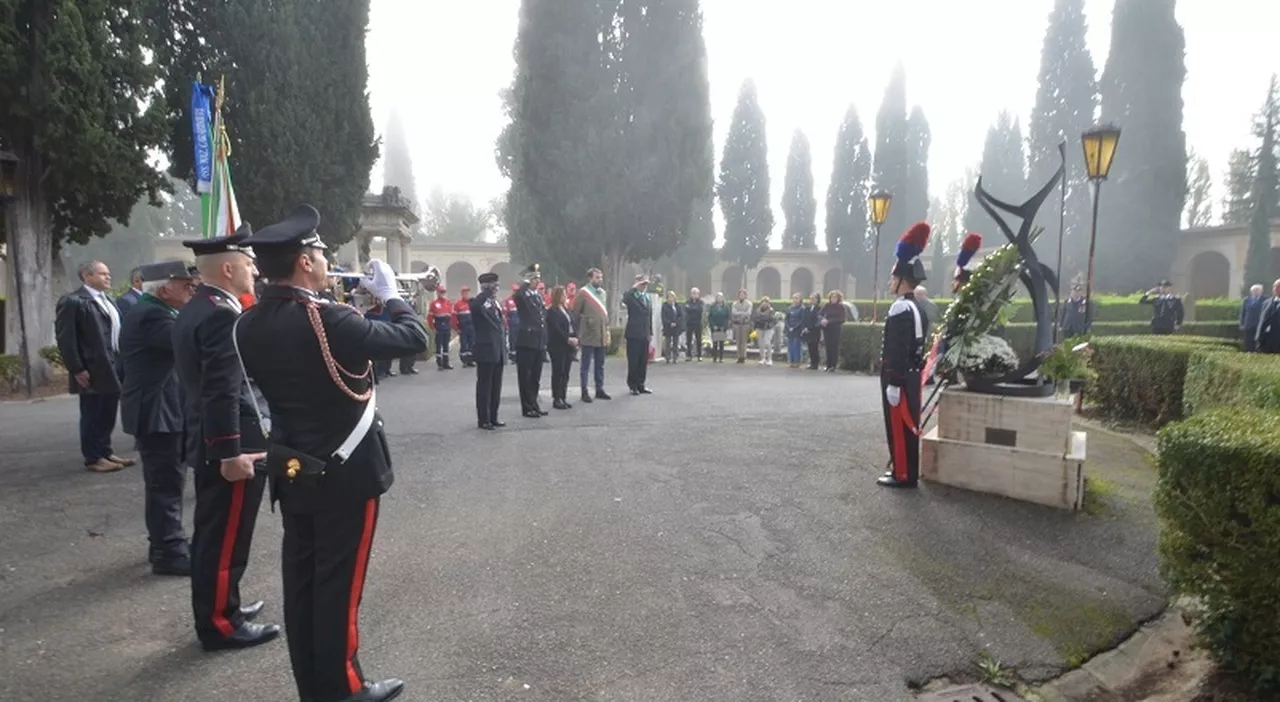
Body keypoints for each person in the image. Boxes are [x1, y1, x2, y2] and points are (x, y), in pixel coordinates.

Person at [235, 205, 428, 702]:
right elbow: (415, 339)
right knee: (339, 586)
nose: (325, 260)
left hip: (294, 469)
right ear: (303, 262)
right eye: (319, 252)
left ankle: (313, 686)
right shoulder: (330, 320)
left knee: (301, 582)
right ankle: (343, 688)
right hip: (346, 474)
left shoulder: (248, 325)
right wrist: (391, 296)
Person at [172, 228, 278, 650]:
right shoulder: (221, 314)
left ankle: (225, 606)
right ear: (229, 267)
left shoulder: (201, 306)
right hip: (230, 445)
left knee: (216, 533)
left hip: (213, 438)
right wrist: (230, 452)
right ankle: (220, 623)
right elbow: (220, 389)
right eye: (249, 263)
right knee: (225, 535)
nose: (254, 269)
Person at [119, 261, 196, 575]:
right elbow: (191, 342)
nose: (192, 290)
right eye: (185, 285)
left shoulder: (158, 311)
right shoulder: (153, 315)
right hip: (156, 412)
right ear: (164, 289)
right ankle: (168, 550)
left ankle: (167, 542)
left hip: (162, 409)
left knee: (167, 481)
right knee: (165, 483)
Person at [55, 260, 133, 473]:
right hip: (92, 366)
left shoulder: (108, 299)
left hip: (114, 363)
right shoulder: (74, 301)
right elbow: (66, 338)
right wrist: (77, 367)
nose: (108, 277)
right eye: (102, 273)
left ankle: (105, 451)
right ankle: (93, 457)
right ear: (86, 276)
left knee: (108, 409)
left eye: (108, 273)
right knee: (92, 411)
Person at [879, 222, 932, 489]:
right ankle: (906, 470)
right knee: (907, 428)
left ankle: (903, 474)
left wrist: (895, 381)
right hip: (912, 374)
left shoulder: (900, 309)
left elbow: (898, 348)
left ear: (902, 281)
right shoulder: (917, 306)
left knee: (900, 428)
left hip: (900, 376)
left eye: (892, 279)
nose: (890, 283)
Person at [471, 272, 508, 429]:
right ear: (488, 286)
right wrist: (485, 295)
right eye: (495, 286)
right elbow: (478, 310)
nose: (497, 289)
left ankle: (494, 416)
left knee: (496, 386)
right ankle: (483, 419)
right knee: (485, 386)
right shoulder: (479, 301)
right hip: (486, 349)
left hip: (498, 349)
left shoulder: (495, 302)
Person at [571, 267, 611, 403]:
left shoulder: (603, 293)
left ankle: (599, 388)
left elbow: (604, 313)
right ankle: (584, 391)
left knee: (600, 364)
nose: (600, 280)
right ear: (590, 278)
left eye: (601, 277)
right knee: (586, 365)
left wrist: (607, 330)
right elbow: (575, 313)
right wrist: (577, 332)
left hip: (601, 333)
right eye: (597, 277)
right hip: (588, 333)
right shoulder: (583, 293)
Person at [515, 264, 549, 418]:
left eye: (538, 278)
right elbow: (519, 295)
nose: (538, 281)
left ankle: (534, 404)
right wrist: (526, 282)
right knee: (526, 377)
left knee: (535, 377)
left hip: (538, 341)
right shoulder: (523, 295)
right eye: (535, 278)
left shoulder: (536, 296)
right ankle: (527, 407)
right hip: (526, 341)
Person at [546, 285, 579, 409]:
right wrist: (567, 339)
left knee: (566, 372)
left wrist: (576, 337)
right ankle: (557, 398)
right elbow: (556, 329)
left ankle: (563, 396)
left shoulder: (567, 309)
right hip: (558, 344)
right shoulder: (551, 311)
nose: (565, 296)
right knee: (558, 371)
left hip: (570, 343)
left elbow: (573, 324)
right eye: (563, 294)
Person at [623, 274, 654, 394]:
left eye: (646, 284)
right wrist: (633, 287)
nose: (644, 286)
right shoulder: (632, 296)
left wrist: (650, 332)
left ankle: (641, 383)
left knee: (643, 361)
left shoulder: (647, 297)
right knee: (633, 361)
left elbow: (649, 316)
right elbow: (625, 299)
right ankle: (633, 385)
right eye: (642, 284)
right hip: (633, 333)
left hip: (644, 333)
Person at [819, 292, 848, 372]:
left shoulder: (841, 307)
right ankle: (828, 365)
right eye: (832, 297)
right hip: (827, 328)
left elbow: (842, 319)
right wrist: (822, 320)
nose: (833, 299)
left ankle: (833, 365)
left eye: (835, 298)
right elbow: (820, 314)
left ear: (838, 298)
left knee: (834, 346)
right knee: (827, 346)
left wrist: (829, 321)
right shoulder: (827, 305)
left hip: (835, 328)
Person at [428, 286, 455, 371]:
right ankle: (439, 364)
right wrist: (433, 327)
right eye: (441, 292)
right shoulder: (434, 303)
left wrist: (452, 326)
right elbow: (430, 317)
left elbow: (451, 316)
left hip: (447, 326)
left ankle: (446, 363)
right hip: (439, 326)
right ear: (437, 293)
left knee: (446, 346)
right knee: (439, 346)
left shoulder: (448, 303)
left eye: (443, 292)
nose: (442, 294)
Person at [1256, 279, 1280, 354]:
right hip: (1266, 343)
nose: (1276, 289)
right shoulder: (1266, 303)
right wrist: (1258, 339)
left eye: (1278, 287)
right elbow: (1261, 322)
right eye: (1275, 287)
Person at [1240, 283, 1266, 352]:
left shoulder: (1265, 300)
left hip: (1259, 325)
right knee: (1248, 341)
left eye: (1257, 290)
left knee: (1258, 341)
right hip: (1248, 324)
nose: (1255, 292)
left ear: (1261, 291)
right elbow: (1243, 313)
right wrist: (1242, 323)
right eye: (1254, 290)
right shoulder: (1246, 300)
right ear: (1251, 292)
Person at [730, 289, 753, 364]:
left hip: (745, 324)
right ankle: (738, 356)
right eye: (740, 294)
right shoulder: (735, 303)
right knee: (738, 341)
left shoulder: (749, 304)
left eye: (743, 294)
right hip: (736, 324)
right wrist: (743, 313)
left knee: (744, 341)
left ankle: (743, 356)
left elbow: (748, 313)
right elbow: (733, 312)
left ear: (746, 295)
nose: (741, 296)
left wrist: (739, 313)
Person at [455, 285, 476, 367]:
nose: (466, 294)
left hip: (472, 327)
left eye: (467, 292)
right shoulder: (458, 304)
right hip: (463, 327)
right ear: (461, 293)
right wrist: (457, 328)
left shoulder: (472, 303)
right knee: (464, 344)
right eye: (464, 292)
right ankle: (464, 361)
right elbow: (454, 317)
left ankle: (471, 360)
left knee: (472, 343)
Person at [706, 292, 730, 363]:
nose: (719, 299)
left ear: (723, 298)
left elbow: (727, 317)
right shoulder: (712, 306)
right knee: (715, 343)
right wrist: (713, 326)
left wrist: (724, 326)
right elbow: (710, 317)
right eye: (718, 297)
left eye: (720, 297)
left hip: (722, 327)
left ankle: (721, 358)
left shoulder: (726, 307)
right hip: (714, 328)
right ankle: (714, 357)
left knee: (721, 343)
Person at [661, 290, 684, 363]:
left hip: (676, 327)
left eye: (672, 297)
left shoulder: (677, 305)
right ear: (667, 298)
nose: (671, 298)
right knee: (667, 343)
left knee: (675, 343)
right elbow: (663, 317)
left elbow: (681, 316)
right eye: (669, 297)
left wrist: (676, 323)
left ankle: (675, 357)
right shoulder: (664, 306)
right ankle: (667, 357)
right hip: (668, 327)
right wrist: (669, 323)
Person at [785, 293, 806, 368]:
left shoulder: (802, 308)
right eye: (793, 298)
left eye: (796, 298)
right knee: (790, 346)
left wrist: (794, 327)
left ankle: (797, 361)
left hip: (797, 330)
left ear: (800, 299)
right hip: (790, 330)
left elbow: (802, 320)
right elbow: (787, 319)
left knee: (796, 346)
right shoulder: (790, 308)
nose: (795, 299)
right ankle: (791, 361)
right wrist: (788, 327)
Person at [683, 288, 705, 362]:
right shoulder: (687, 302)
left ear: (698, 294)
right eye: (693, 293)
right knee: (688, 340)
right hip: (689, 323)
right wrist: (694, 309)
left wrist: (692, 308)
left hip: (698, 323)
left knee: (699, 340)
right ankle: (689, 355)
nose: (694, 294)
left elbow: (700, 310)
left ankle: (699, 355)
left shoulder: (701, 302)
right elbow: (687, 310)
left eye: (696, 293)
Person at [753, 298, 776, 366]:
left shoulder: (771, 310)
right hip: (760, 328)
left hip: (768, 329)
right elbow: (755, 318)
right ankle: (762, 358)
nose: (764, 303)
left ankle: (769, 359)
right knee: (761, 344)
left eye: (766, 302)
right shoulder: (758, 310)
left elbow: (773, 319)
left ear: (768, 303)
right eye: (763, 302)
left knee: (767, 342)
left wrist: (769, 324)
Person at [803, 293, 823, 370]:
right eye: (810, 299)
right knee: (810, 347)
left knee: (814, 347)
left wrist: (810, 328)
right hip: (807, 331)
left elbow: (817, 320)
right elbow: (804, 319)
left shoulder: (819, 309)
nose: (811, 300)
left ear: (817, 300)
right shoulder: (807, 308)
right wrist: (805, 327)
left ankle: (815, 364)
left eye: (813, 299)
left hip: (815, 331)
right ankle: (812, 363)